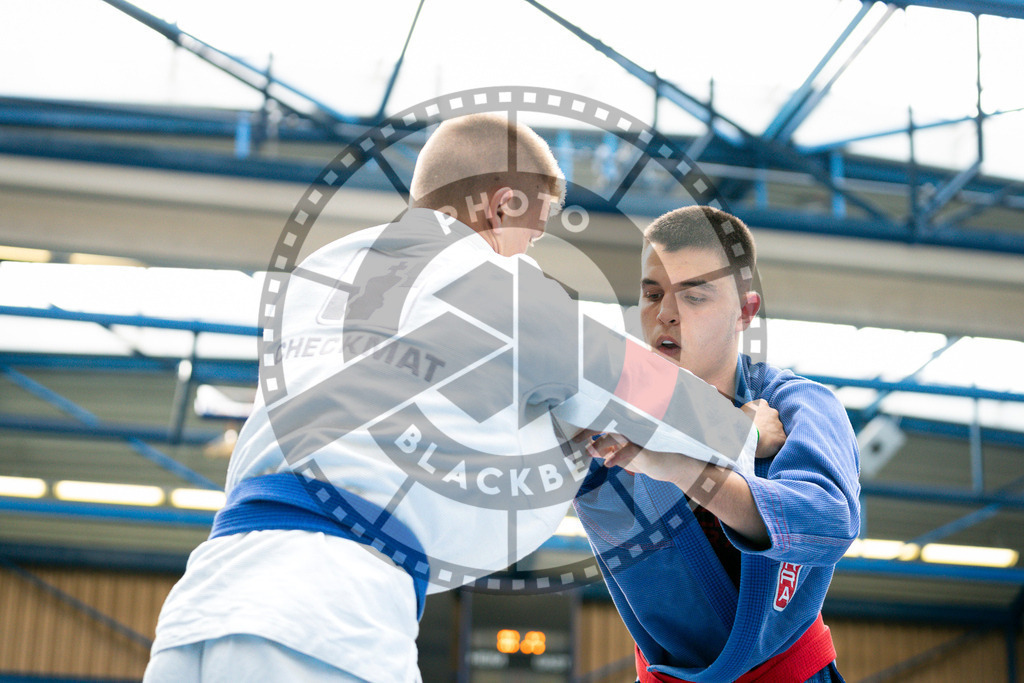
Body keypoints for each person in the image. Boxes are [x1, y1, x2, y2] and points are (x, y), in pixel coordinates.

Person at [143, 116, 764, 682]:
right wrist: (748, 432)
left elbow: (420, 415)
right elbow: (639, 389)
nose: (529, 256)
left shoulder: (324, 277)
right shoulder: (489, 280)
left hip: (201, 607)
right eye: (533, 235)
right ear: (501, 206)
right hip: (328, 613)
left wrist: (552, 438)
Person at [576, 206, 861, 682]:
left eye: (694, 296)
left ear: (746, 312)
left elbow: (830, 523)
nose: (665, 314)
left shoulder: (798, 406)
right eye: (652, 294)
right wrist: (735, 435)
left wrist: (685, 468)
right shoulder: (609, 411)